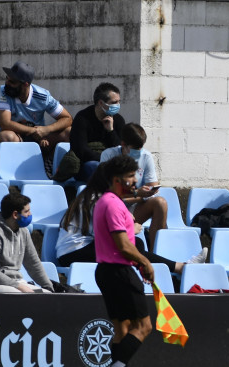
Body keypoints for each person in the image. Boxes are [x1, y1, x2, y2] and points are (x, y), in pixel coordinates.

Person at [56, 162, 207, 272]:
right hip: (73, 252)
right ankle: (180, 267)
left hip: (78, 249)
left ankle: (174, 268)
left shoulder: (98, 196)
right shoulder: (97, 201)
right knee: (131, 247)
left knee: (138, 245)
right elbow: (106, 237)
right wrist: (131, 230)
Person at [93, 155, 156, 367]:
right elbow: (123, 245)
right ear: (116, 179)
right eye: (130, 176)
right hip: (119, 272)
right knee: (144, 326)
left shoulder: (108, 201)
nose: (135, 181)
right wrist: (144, 262)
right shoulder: (112, 205)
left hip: (108, 271)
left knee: (123, 329)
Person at [0, 192, 54, 293]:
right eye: (27, 211)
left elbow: (33, 263)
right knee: (21, 297)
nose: (30, 214)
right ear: (15, 214)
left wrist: (48, 287)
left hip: (14, 282)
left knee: (46, 296)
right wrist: (20, 286)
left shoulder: (23, 232)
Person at [99, 123, 168, 245]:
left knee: (160, 203)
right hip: (111, 209)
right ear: (123, 145)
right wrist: (137, 194)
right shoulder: (108, 155)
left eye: (140, 148)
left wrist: (143, 194)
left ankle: (156, 253)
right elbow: (105, 195)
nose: (139, 152)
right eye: (135, 150)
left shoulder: (146, 156)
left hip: (134, 208)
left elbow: (153, 188)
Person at [0, 61, 72, 150]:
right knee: (4, 137)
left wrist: (47, 129)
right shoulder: (4, 91)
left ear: (25, 84)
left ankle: (49, 160)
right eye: (6, 78)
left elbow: (67, 118)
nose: (7, 83)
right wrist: (33, 131)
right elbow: (4, 123)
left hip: (39, 139)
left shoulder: (43, 96)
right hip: (16, 136)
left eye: (12, 82)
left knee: (69, 132)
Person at [64, 82, 125, 182]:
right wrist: (105, 160)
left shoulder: (118, 120)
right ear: (101, 103)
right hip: (86, 165)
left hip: (112, 164)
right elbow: (81, 150)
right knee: (96, 167)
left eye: (119, 102)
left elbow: (121, 148)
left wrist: (110, 131)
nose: (117, 105)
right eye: (114, 102)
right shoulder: (82, 118)